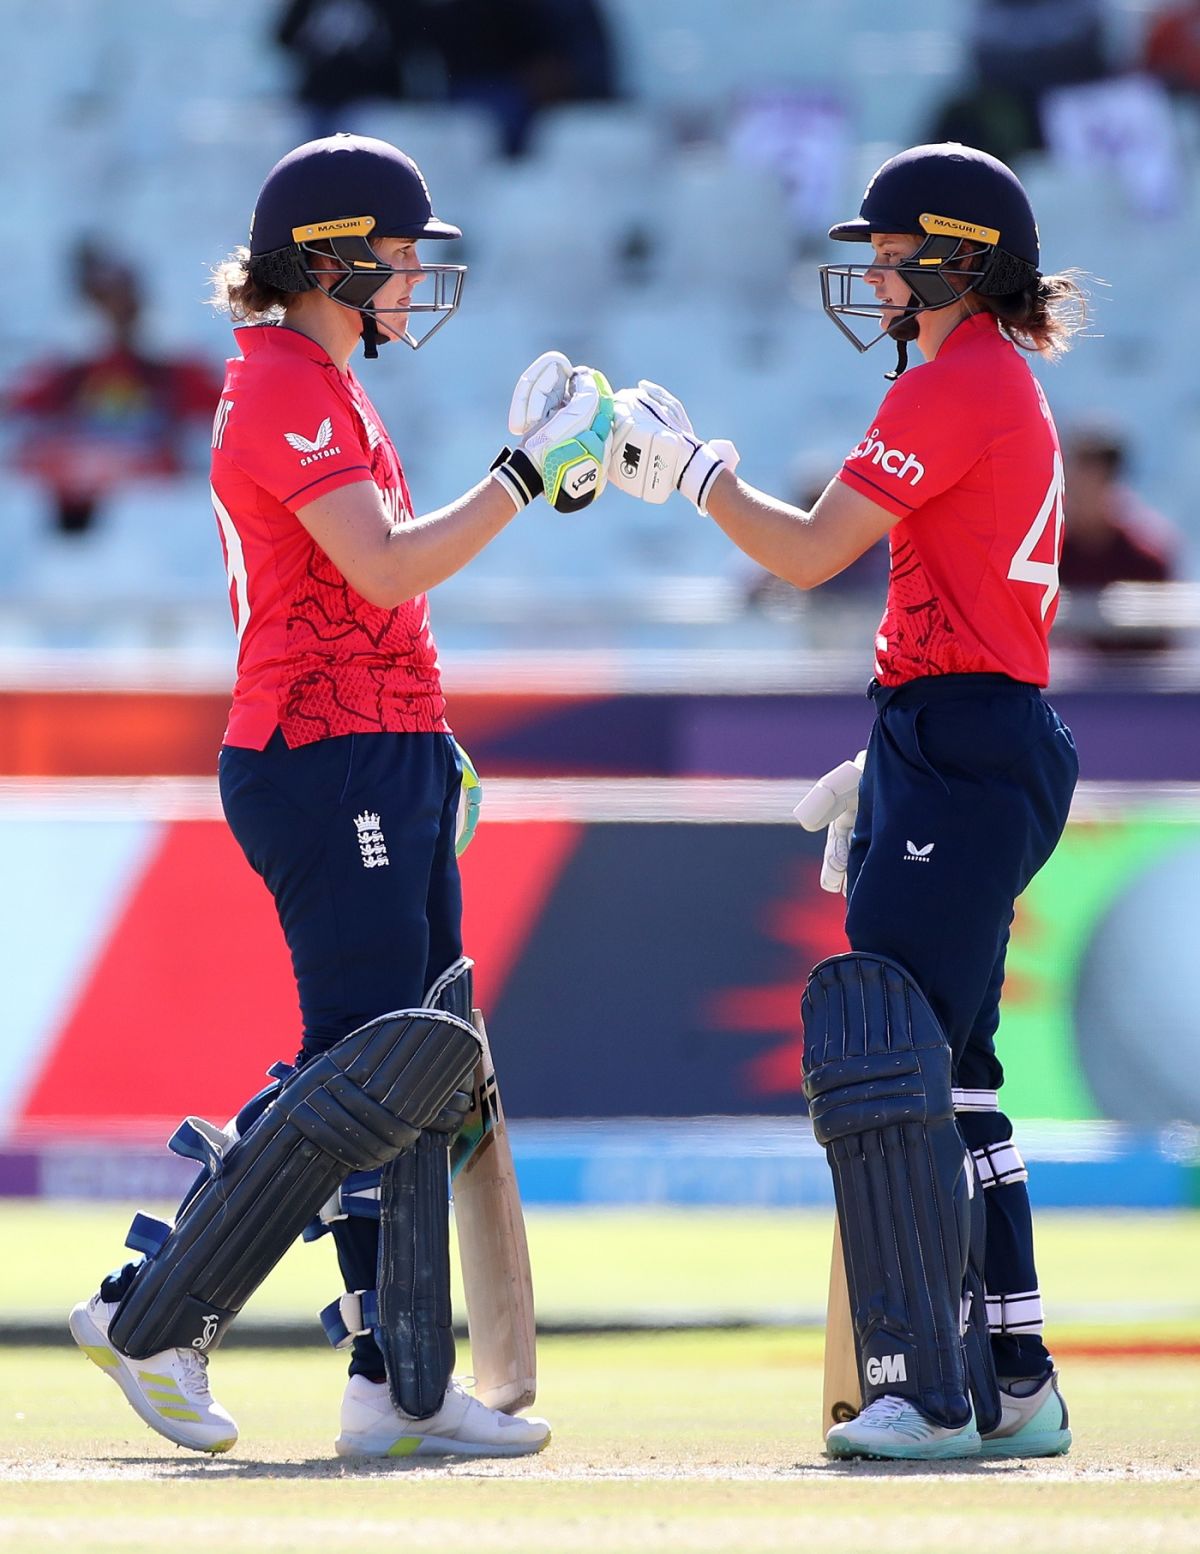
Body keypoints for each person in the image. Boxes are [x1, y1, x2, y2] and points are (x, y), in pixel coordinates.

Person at [67, 132, 613, 1460]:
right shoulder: (280, 387)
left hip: (375, 748)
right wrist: (524, 474)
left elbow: (377, 603)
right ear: (333, 258)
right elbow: (379, 567)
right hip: (323, 756)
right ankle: (150, 1309)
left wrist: (429, 743)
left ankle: (399, 1379)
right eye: (401, 252)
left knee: (405, 1067)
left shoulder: (320, 376)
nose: (419, 277)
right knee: (367, 1067)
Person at [595, 143, 1083, 1462]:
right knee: (957, 1073)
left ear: (955, 256)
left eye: (889, 249)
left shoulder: (960, 379)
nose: (871, 270)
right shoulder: (986, 378)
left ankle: (930, 1388)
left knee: (895, 1063)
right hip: (963, 729)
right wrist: (901, 755)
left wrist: (696, 473)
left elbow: (810, 551)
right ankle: (1018, 1381)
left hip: (965, 732)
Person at [5, 240, 220, 535]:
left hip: (150, 518)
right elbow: (15, 409)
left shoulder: (174, 373)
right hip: (76, 522)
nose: (114, 313)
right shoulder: (66, 373)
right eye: (104, 302)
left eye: (124, 302)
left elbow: (234, 411)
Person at [1057, 424, 1177, 654]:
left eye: (1094, 478)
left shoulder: (1146, 559)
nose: (1081, 489)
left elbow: (1160, 658)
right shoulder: (1048, 554)